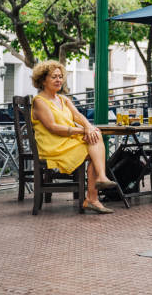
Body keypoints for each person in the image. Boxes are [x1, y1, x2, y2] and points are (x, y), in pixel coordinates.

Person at [31, 60, 117, 214]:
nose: (59, 80)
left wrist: (89, 127)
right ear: (43, 80)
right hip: (53, 146)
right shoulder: (39, 101)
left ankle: (96, 189)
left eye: (60, 76)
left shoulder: (63, 99)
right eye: (53, 77)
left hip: (67, 141)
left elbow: (78, 116)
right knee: (94, 145)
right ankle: (93, 196)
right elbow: (53, 127)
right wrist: (83, 131)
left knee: (95, 136)